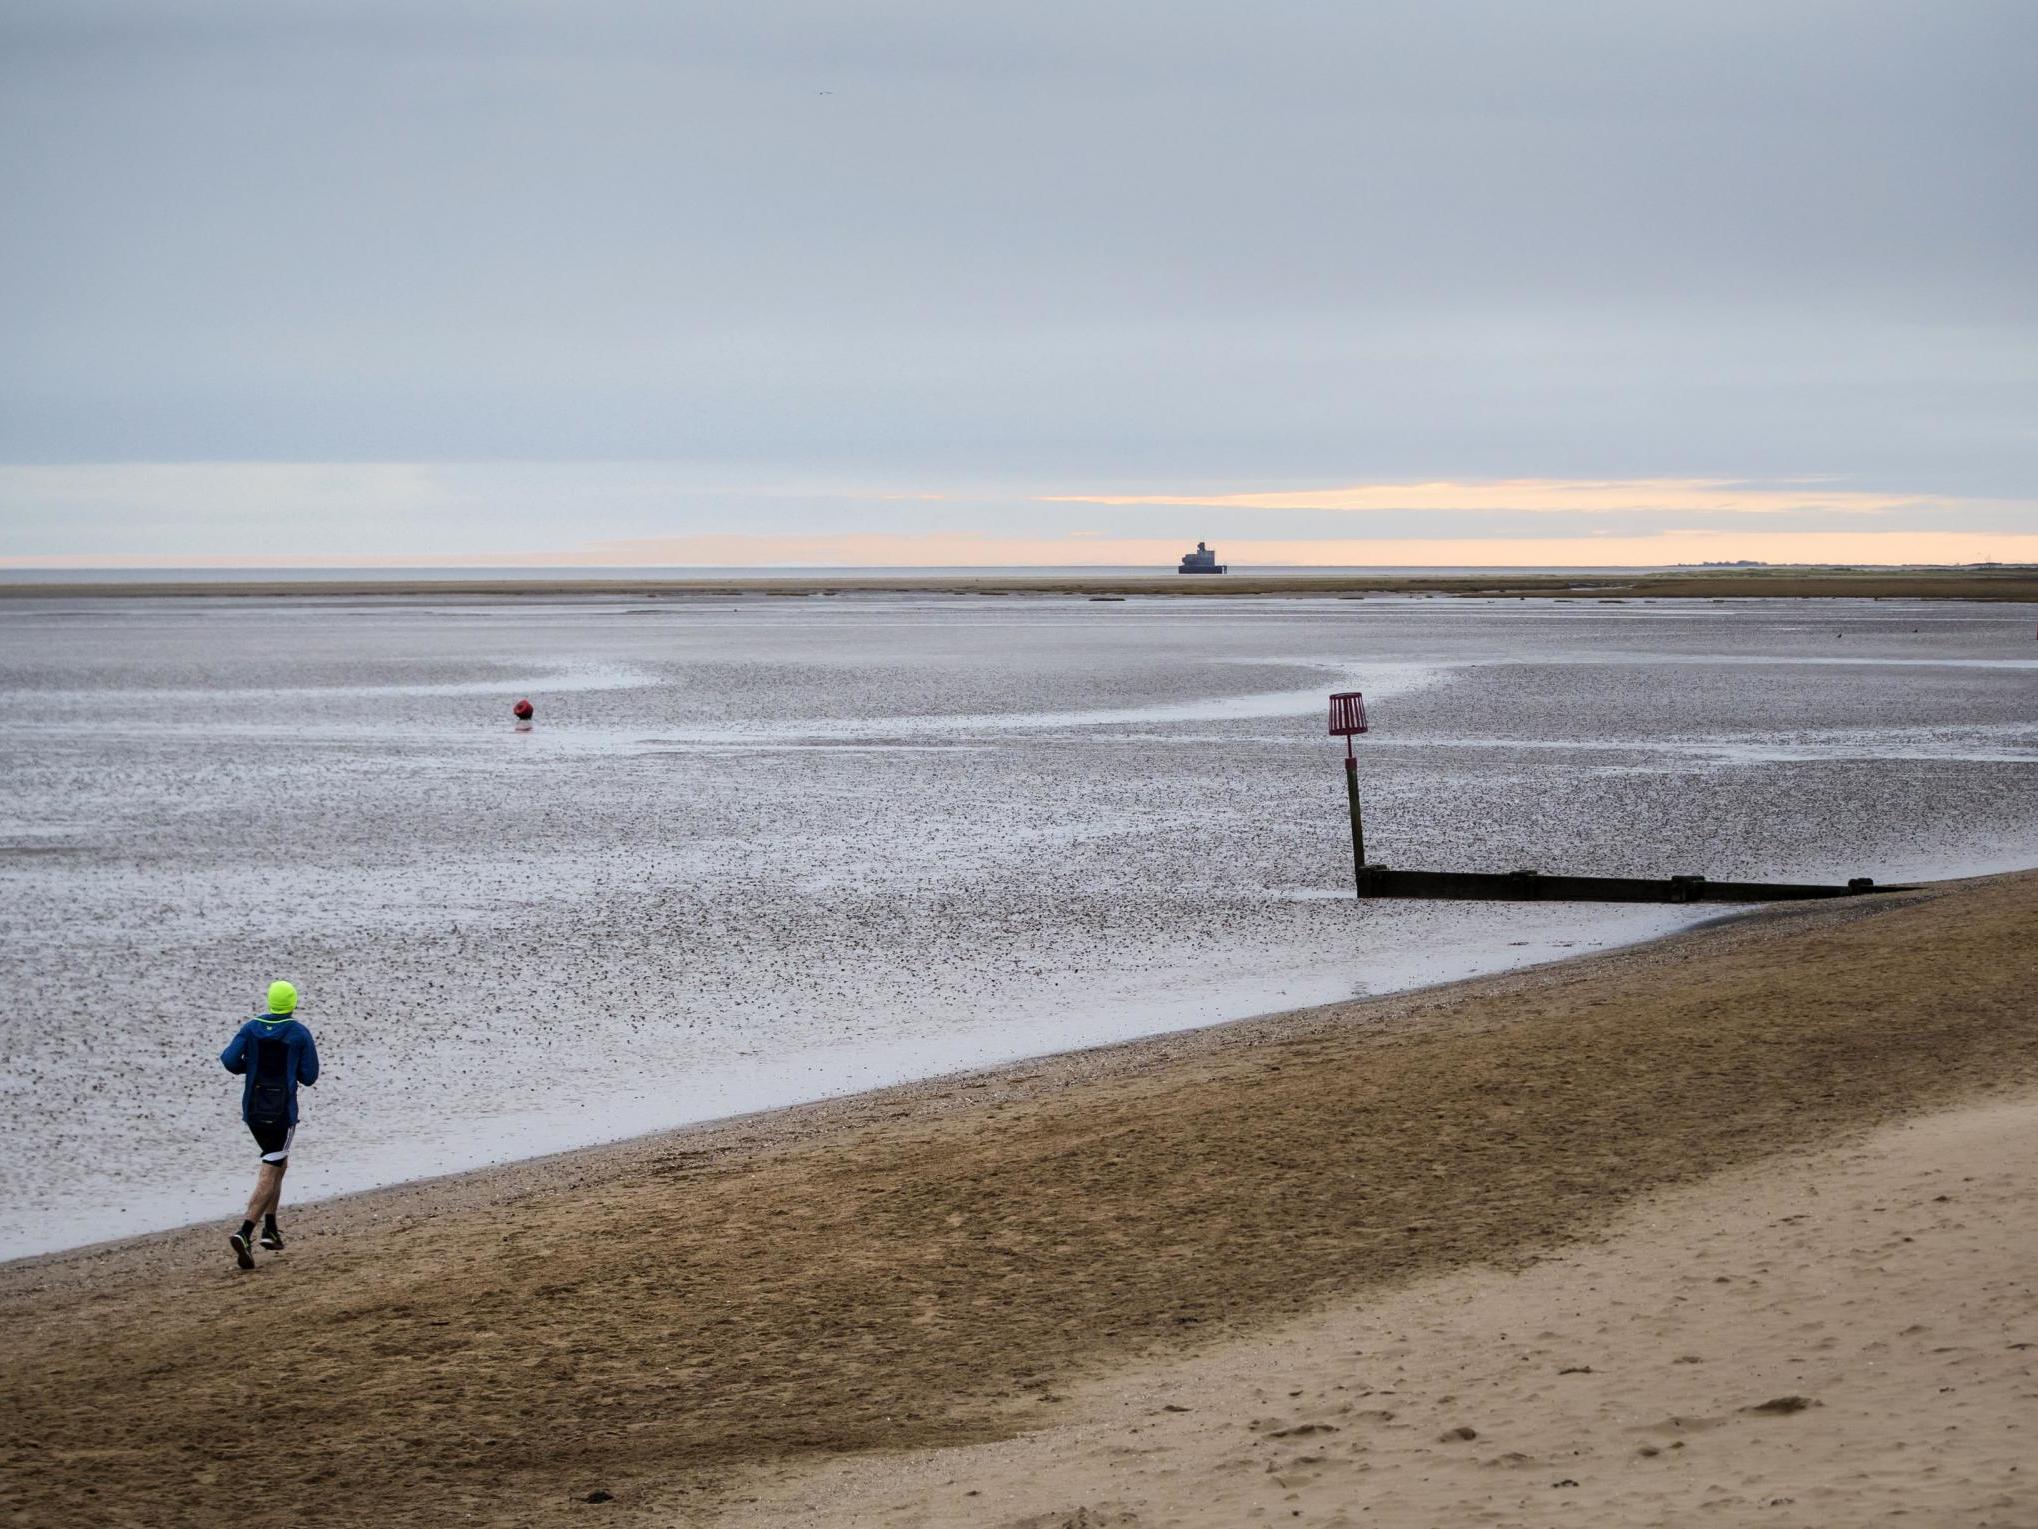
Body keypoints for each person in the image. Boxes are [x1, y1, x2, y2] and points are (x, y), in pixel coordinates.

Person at [219, 980, 319, 1270]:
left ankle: (271, 1229)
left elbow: (228, 1060)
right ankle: (246, 1231)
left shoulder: (250, 1027)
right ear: (292, 1003)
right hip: (281, 1113)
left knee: (278, 1163)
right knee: (270, 1167)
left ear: (270, 1001)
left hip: (252, 1110)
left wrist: (250, 1067)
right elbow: (309, 1076)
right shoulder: (299, 1033)